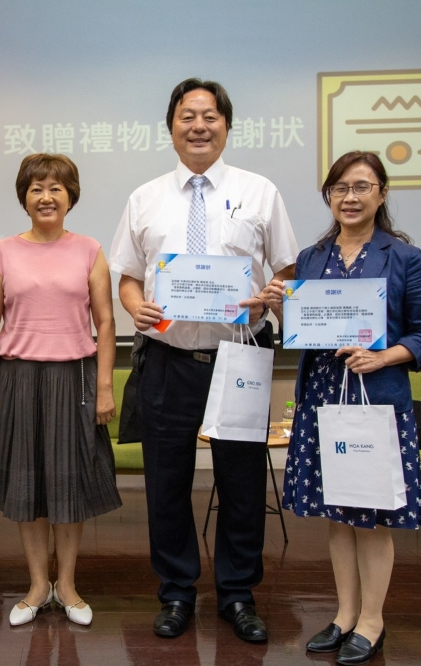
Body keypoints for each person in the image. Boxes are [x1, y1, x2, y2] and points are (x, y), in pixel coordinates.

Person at [109, 78, 298, 641]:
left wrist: (273, 295)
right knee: (166, 484)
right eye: (188, 116)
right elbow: (128, 278)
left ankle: (238, 594)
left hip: (240, 356)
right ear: (171, 128)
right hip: (167, 359)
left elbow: (286, 271)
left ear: (226, 126)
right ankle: (176, 593)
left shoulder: (260, 191)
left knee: (242, 483)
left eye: (209, 116)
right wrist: (136, 307)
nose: (198, 125)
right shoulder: (145, 197)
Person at [265, 151, 421, 665]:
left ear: (382, 194)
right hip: (321, 397)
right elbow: (303, 330)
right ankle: (344, 614)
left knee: (371, 517)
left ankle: (372, 620)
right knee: (335, 516)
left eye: (362, 187)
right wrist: (281, 308)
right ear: (328, 196)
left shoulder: (405, 257)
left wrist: (384, 355)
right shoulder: (313, 257)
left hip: (375, 402)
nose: (350, 197)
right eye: (340, 188)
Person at [0, 153, 122, 627]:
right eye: (36, 188)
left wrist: (104, 387)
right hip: (19, 378)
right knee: (26, 484)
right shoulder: (3, 253)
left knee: (68, 483)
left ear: (70, 196)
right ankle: (38, 585)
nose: (46, 196)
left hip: (75, 377)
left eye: (56, 188)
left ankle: (69, 584)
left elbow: (105, 321)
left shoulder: (89, 250)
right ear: (24, 196)